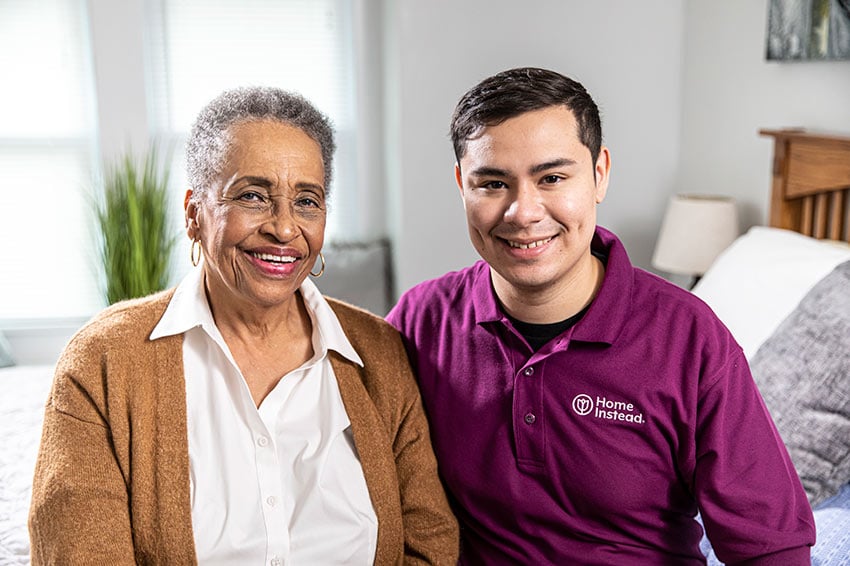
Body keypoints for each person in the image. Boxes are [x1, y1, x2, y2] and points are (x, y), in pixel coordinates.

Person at [387, 67, 815, 564]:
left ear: (599, 175)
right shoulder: (420, 321)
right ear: (462, 185)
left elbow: (771, 547)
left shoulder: (690, 339)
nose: (523, 212)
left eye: (552, 178)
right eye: (493, 183)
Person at [29, 86, 458, 565]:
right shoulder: (103, 361)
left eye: (307, 201)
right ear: (194, 214)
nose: (284, 227)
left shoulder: (379, 353)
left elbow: (430, 544)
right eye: (253, 196)